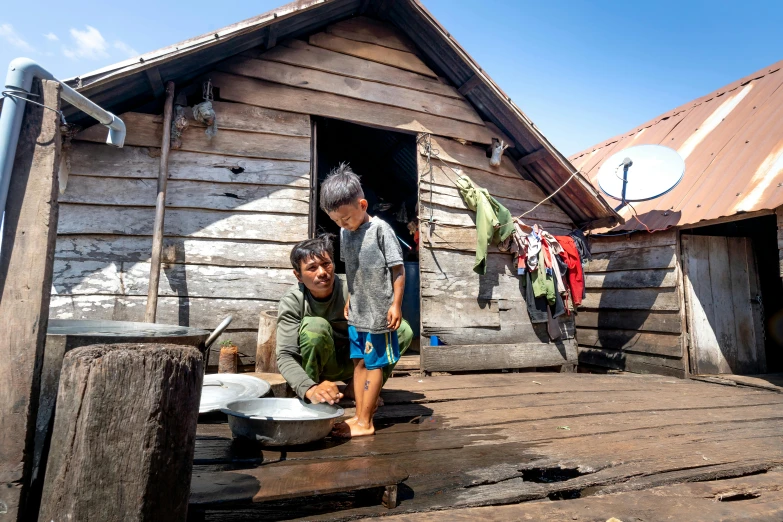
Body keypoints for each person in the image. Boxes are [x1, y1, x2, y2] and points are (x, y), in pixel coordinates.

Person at [275, 235, 413, 408]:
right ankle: (316, 394)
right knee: (315, 327)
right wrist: (309, 388)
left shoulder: (354, 288)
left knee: (401, 330)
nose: (322, 272)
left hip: (356, 362)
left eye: (326, 264)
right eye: (312, 268)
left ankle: (360, 388)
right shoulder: (293, 301)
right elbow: (285, 355)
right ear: (298, 276)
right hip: (320, 367)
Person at [319, 163, 405, 438]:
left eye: (346, 218)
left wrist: (396, 305)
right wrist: (349, 298)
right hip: (357, 310)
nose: (343, 225)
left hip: (379, 311)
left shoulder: (381, 230)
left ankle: (366, 422)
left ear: (363, 204)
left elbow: (398, 269)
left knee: (374, 363)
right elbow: (351, 269)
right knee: (358, 362)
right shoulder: (345, 234)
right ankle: (358, 416)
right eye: (336, 221)